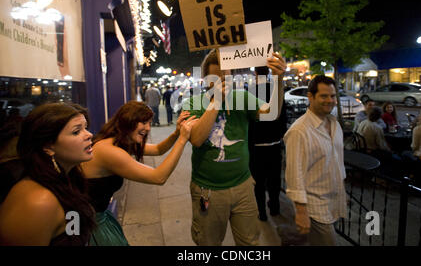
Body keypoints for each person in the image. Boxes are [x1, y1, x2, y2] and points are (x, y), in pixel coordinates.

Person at [184, 49, 286, 246]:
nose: (224, 80)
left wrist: (278, 80)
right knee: (208, 242)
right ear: (206, 79)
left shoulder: (241, 98)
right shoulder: (194, 103)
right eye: (218, 77)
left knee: (250, 242)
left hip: (243, 186)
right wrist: (216, 101)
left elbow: (271, 113)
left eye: (227, 75)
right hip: (208, 190)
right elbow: (196, 139)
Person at [81, 101, 197, 245]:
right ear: (128, 120)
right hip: (91, 224)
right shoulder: (109, 151)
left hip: (98, 217)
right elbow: (159, 177)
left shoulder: (117, 141)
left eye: (149, 123)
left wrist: (176, 132)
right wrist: (183, 139)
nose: (148, 128)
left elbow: (157, 150)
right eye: (143, 122)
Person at [0, 103, 96, 245]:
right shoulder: (39, 201)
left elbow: (73, 230)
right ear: (48, 146)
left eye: (85, 128)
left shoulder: (67, 179)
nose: (89, 135)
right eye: (76, 132)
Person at [284, 75, 347, 246]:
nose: (330, 100)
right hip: (314, 207)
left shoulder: (334, 123)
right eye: (324, 96)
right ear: (310, 97)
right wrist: (301, 212)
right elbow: (294, 174)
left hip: (332, 201)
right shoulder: (299, 131)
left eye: (333, 96)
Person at [248, 66, 288, 221]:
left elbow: (249, 121)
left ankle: (261, 211)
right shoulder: (275, 91)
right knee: (274, 179)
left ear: (256, 73)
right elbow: (282, 117)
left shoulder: (249, 93)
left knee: (258, 182)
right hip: (274, 144)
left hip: (256, 146)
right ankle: (275, 207)